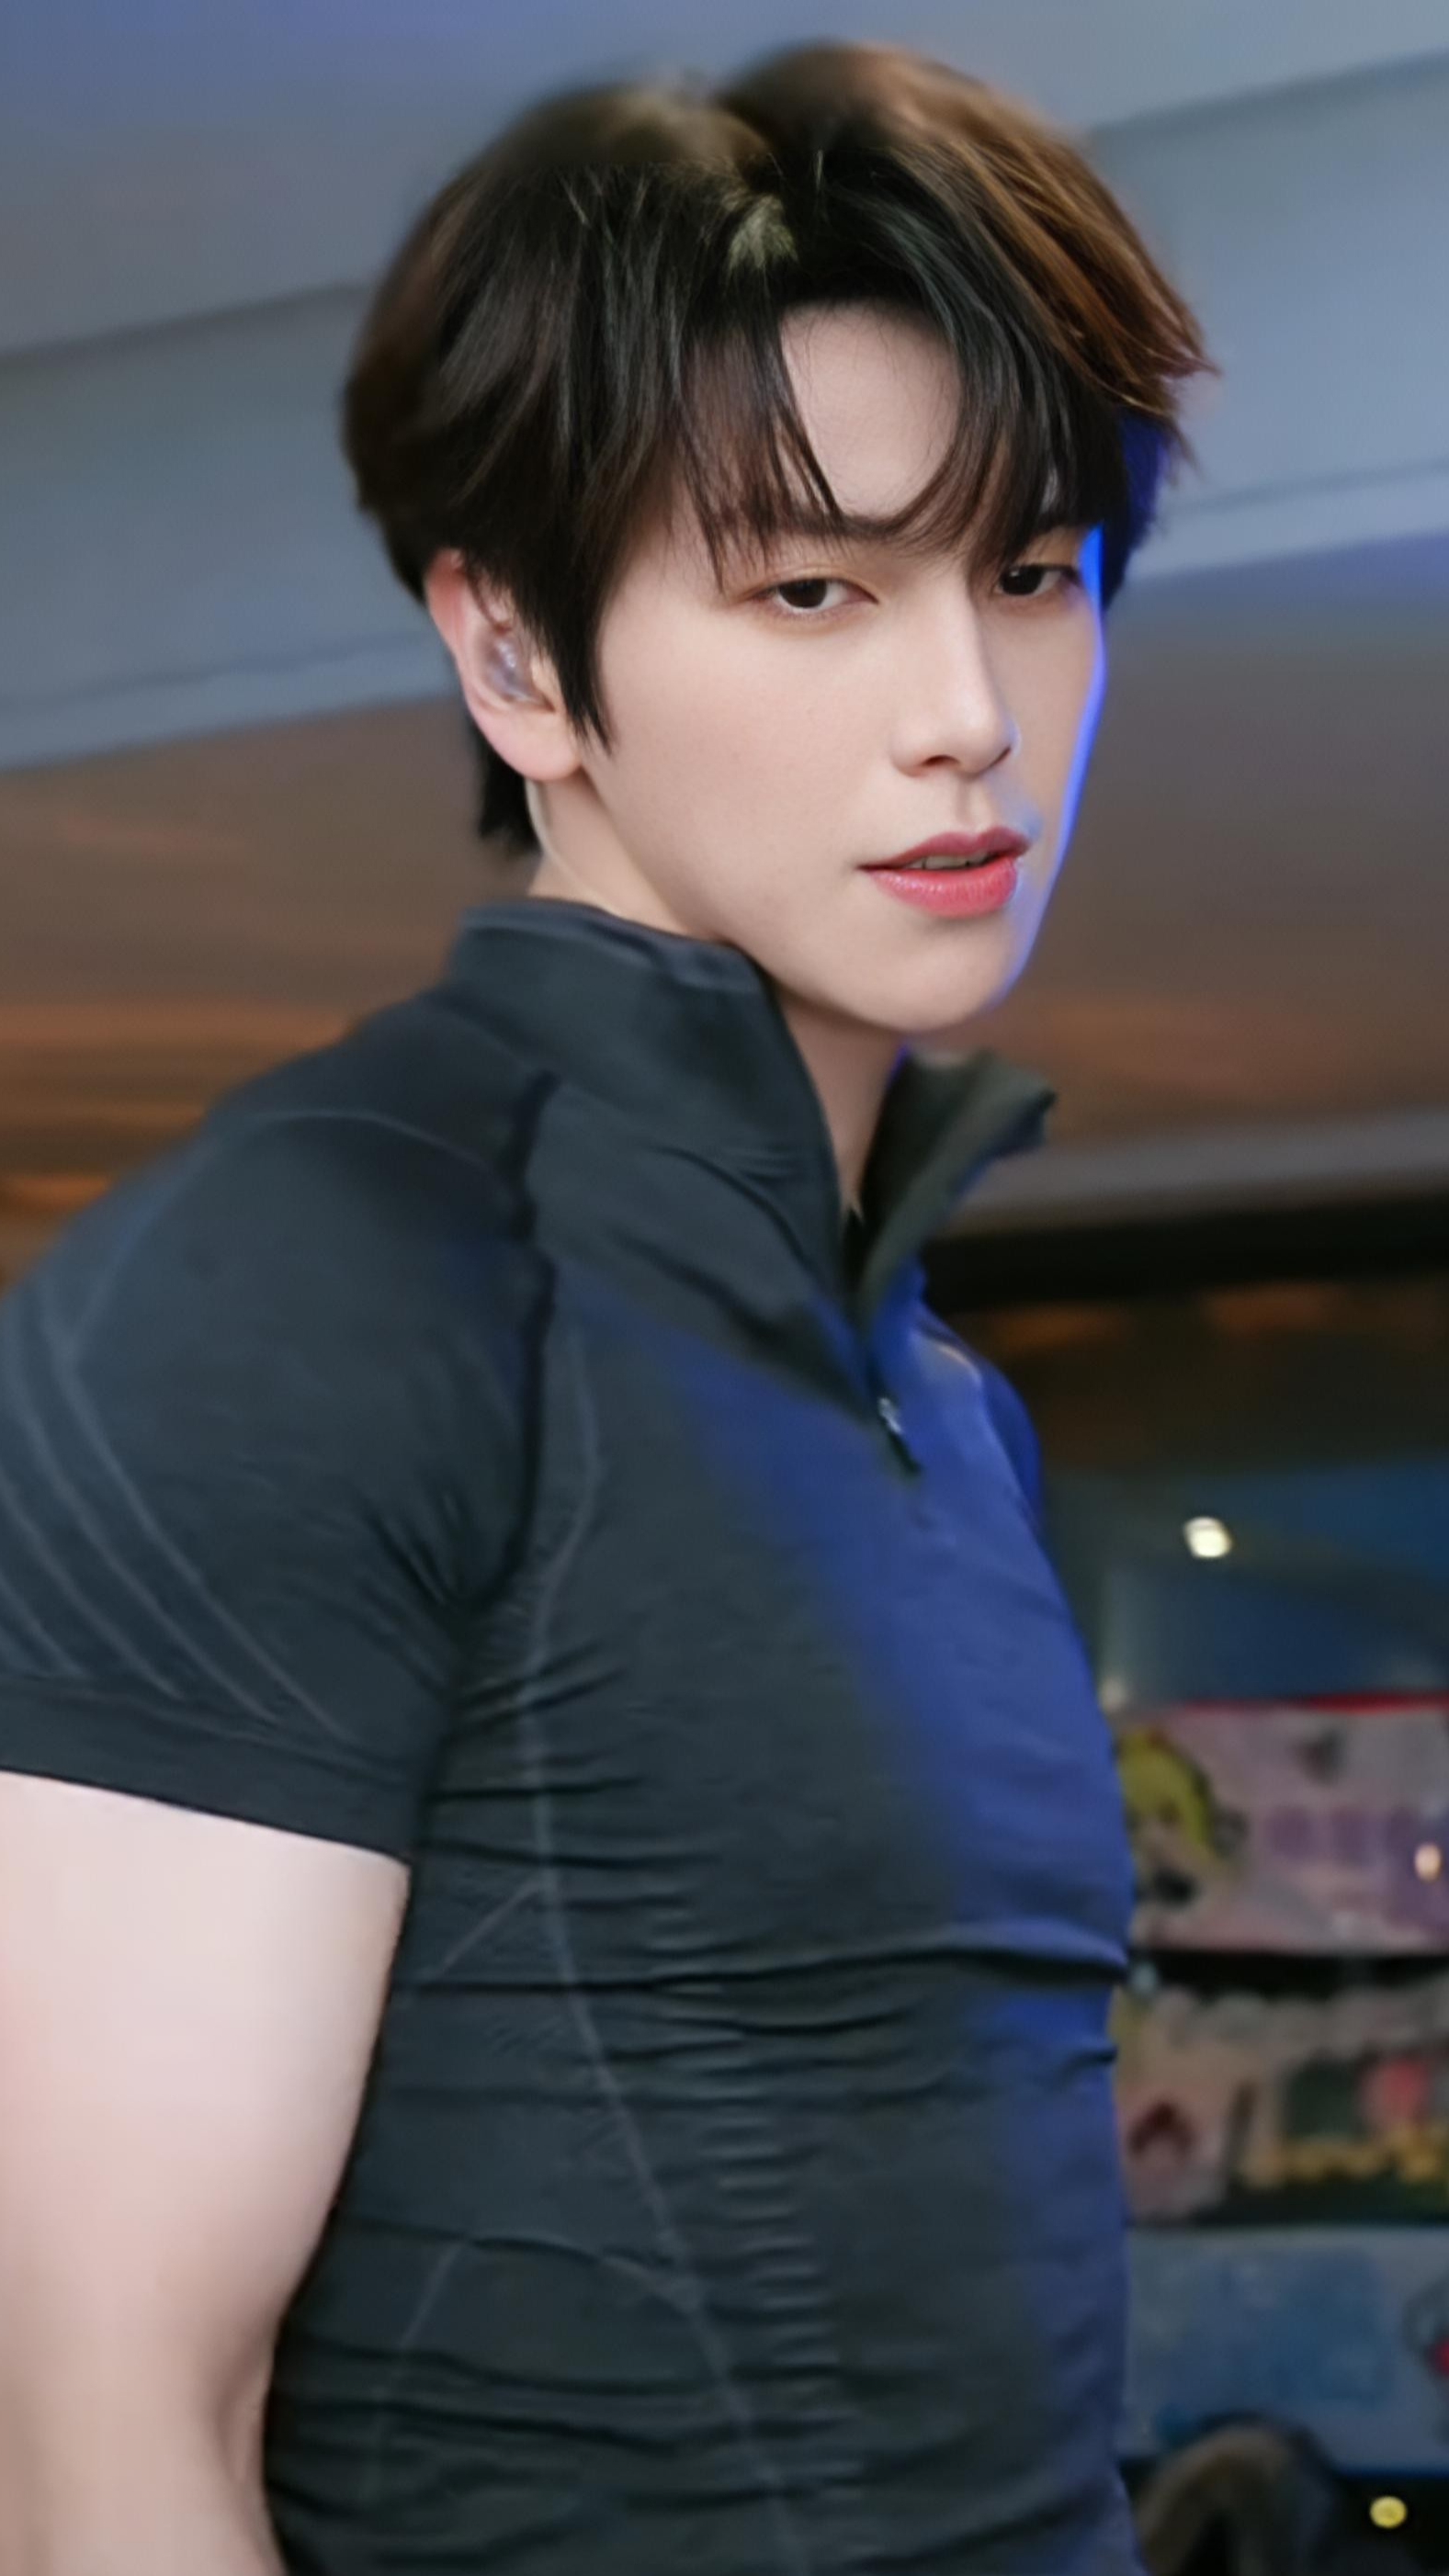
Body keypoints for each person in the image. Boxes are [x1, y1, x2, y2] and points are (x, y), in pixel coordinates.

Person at [0, 41, 1210, 2575]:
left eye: (1027, 569)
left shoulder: (937, 1401)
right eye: (812, 590)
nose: (966, 714)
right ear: (519, 662)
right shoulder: (317, 1277)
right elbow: (89, 2427)